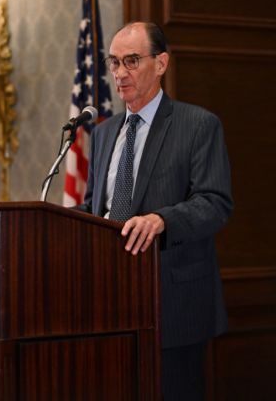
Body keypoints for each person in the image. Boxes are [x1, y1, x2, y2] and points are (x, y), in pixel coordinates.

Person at [78, 21, 233, 400]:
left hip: (172, 304)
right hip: (107, 301)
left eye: (131, 61)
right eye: (114, 62)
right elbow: (95, 206)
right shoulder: (103, 133)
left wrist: (163, 219)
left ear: (161, 63)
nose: (119, 73)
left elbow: (215, 203)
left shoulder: (198, 125)